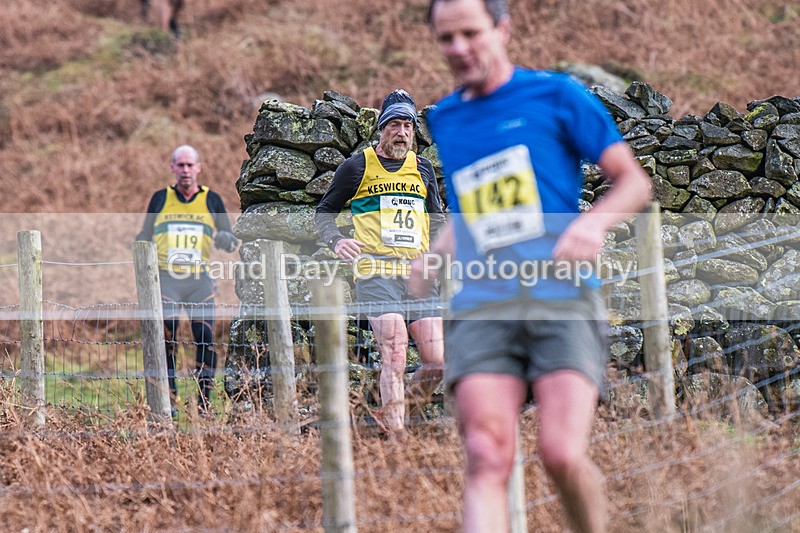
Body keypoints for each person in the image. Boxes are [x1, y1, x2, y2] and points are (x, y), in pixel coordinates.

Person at [410, 0, 652, 531]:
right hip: (482, 303)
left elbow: (633, 181)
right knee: (486, 455)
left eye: (471, 34)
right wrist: (434, 252)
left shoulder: (557, 96)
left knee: (560, 453)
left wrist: (591, 225)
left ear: (503, 28)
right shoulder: (445, 119)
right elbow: (478, 209)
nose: (458, 49)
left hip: (561, 297)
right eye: (445, 39)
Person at [315, 89, 446, 436]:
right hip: (375, 269)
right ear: (381, 128)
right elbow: (324, 214)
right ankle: (397, 436)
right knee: (395, 351)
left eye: (408, 125)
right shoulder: (357, 166)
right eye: (394, 125)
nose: (401, 132)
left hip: (417, 272)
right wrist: (337, 240)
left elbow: (437, 221)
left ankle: (393, 413)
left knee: (438, 362)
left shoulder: (422, 168)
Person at [137, 145, 238, 413]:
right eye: (180, 165)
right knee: (166, 338)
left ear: (198, 168)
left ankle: (204, 404)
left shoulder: (211, 200)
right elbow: (144, 236)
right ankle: (167, 402)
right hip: (166, 280)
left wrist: (225, 239)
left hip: (198, 281)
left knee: (204, 336)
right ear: (172, 168)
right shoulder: (160, 198)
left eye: (189, 165)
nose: (185, 170)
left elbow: (229, 239)